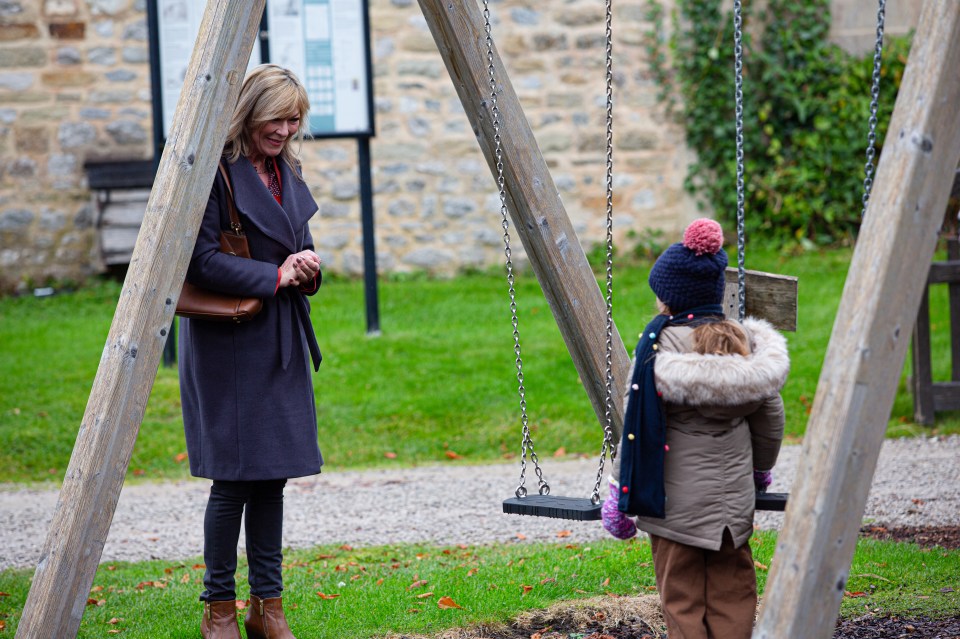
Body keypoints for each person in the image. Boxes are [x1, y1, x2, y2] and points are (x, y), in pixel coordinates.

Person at [179, 64, 323, 639]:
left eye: (294, 119)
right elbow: (199, 262)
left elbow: (298, 245)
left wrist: (306, 269)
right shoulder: (217, 171)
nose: (286, 130)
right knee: (234, 479)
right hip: (230, 344)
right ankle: (218, 609)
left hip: (280, 337)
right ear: (249, 114)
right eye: (277, 118)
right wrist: (275, 273)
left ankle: (269, 608)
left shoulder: (285, 168)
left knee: (273, 476)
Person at [600, 218, 789, 639]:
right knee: (733, 592)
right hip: (732, 506)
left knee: (682, 597)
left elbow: (637, 424)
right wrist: (759, 472)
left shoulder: (660, 348)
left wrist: (619, 492)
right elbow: (770, 420)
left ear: (669, 299)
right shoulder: (744, 345)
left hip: (675, 508)